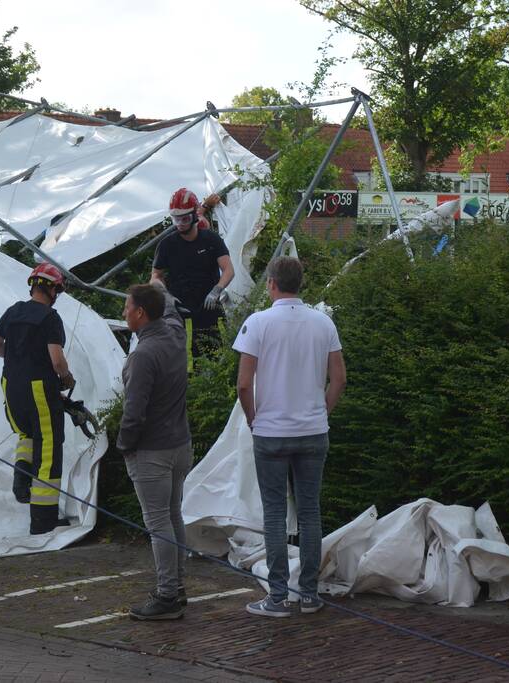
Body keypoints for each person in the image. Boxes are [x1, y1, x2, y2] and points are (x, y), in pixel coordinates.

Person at [233, 256, 346, 617]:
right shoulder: (323, 322)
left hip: (271, 432)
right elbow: (339, 378)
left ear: (270, 283)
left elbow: (243, 383)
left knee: (274, 514)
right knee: (310, 511)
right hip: (313, 431)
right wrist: (322, 412)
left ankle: (278, 596)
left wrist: (254, 418)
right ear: (301, 283)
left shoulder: (258, 323)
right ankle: (310, 595)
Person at [117, 282, 192, 621]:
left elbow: (134, 411)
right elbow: (173, 311)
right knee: (173, 514)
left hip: (153, 450)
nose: (123, 312)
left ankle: (166, 596)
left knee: (158, 521)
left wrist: (123, 446)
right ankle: (176, 588)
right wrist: (163, 289)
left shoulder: (142, 355)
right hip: (181, 445)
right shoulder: (176, 335)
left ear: (140, 313)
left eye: (127, 307)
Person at [0, 263, 74, 535]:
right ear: (51, 289)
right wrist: (67, 378)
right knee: (48, 446)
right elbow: (56, 360)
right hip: (39, 387)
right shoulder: (50, 317)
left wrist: (17, 360)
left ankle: (21, 482)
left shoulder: (13, 311)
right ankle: (43, 518)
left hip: (11, 384)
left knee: (26, 433)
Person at [151, 188, 235, 366]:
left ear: (195, 216)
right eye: (176, 219)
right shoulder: (166, 245)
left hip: (211, 309)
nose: (180, 224)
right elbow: (156, 276)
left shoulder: (211, 240)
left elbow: (228, 269)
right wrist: (165, 296)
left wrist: (217, 289)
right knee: (185, 362)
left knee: (220, 357)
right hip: (181, 312)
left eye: (185, 218)